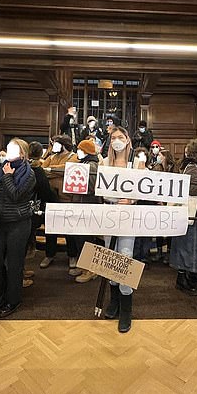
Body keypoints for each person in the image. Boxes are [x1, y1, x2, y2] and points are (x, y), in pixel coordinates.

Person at [0, 138, 36, 318]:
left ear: (23, 153)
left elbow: (16, 195)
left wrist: (8, 176)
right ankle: (0, 295)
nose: (9, 152)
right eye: (8, 148)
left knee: (14, 263)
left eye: (14, 149)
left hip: (19, 222)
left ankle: (13, 299)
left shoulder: (28, 173)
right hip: (0, 222)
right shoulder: (0, 169)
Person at [103, 126, 137, 332]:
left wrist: (131, 199)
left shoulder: (135, 165)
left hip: (128, 217)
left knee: (125, 257)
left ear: (127, 140)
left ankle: (126, 308)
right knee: (110, 258)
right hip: (108, 215)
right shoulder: (104, 163)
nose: (117, 140)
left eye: (120, 137)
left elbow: (145, 190)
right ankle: (113, 300)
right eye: (113, 137)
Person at [171, 139, 197, 296]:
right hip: (191, 212)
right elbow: (190, 188)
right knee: (188, 246)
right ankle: (182, 279)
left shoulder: (189, 165)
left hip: (193, 213)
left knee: (190, 245)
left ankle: (190, 275)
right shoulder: (193, 167)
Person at [40, 135, 79, 270]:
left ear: (63, 144)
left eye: (55, 143)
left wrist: (53, 170)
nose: (53, 146)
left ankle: (72, 255)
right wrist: (56, 171)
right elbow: (43, 170)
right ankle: (49, 254)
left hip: (67, 199)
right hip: (51, 197)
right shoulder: (51, 157)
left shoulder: (74, 157)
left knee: (69, 230)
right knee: (50, 229)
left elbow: (69, 169)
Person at [70, 138, 103, 283]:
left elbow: (91, 188)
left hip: (87, 205)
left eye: (80, 150)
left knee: (86, 239)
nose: (78, 152)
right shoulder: (83, 164)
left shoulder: (92, 166)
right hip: (81, 204)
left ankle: (90, 269)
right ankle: (84, 265)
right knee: (80, 237)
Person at [27, 141, 57, 287]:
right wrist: (54, 198)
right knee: (24, 241)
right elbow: (45, 191)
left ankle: (21, 270)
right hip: (31, 207)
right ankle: (18, 273)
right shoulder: (38, 170)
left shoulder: (24, 165)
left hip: (22, 207)